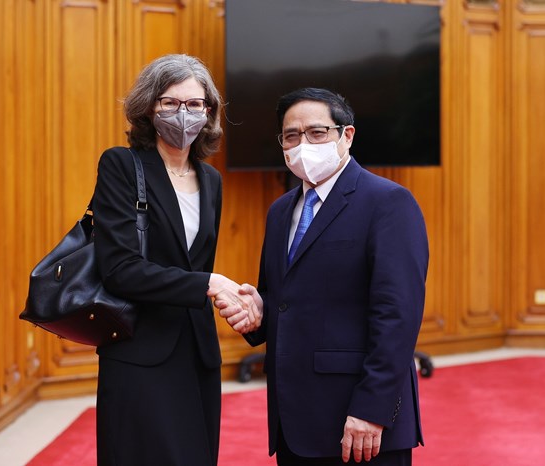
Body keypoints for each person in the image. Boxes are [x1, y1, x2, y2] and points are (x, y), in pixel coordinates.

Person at [218, 87, 429, 465]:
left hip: (360, 421)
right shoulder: (280, 211)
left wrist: (371, 409)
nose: (303, 145)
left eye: (317, 133)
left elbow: (398, 316)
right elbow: (282, 297)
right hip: (293, 419)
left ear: (347, 135)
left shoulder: (388, 202)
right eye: (291, 136)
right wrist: (257, 311)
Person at [92, 54, 257, 466]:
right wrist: (208, 283)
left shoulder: (211, 180)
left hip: (198, 353)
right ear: (149, 108)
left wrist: (229, 296)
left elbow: (195, 264)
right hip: (139, 353)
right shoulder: (121, 165)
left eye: (195, 104)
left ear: (209, 111)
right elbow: (120, 270)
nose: (183, 113)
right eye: (170, 102)